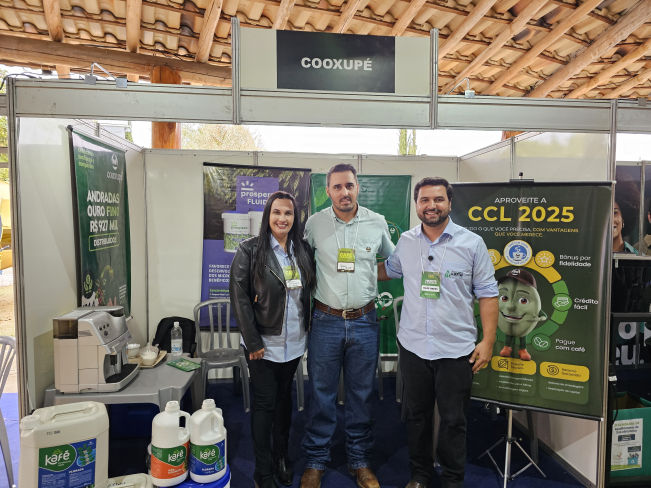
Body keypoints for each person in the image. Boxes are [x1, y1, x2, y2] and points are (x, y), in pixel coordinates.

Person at [378, 177, 499, 488]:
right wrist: (344, 268)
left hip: (456, 349)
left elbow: (488, 293)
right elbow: (388, 271)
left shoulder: (472, 243)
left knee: (454, 420)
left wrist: (488, 341)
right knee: (415, 416)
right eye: (424, 200)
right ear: (416, 204)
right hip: (414, 346)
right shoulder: (406, 242)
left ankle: (453, 479)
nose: (431, 206)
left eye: (438, 199)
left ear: (449, 202)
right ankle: (420, 474)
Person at [300, 163, 395, 488]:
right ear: (328, 191)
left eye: (350, 186)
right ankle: (316, 461)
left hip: (365, 321)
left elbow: (392, 263)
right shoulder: (314, 224)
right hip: (325, 320)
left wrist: (367, 274)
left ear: (358, 188)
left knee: (361, 395)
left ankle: (360, 461)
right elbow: (301, 263)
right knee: (321, 394)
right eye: (338, 187)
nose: (344, 192)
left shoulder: (376, 222)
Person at [230, 191, 317, 488]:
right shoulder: (250, 250)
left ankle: (281, 457)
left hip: (294, 342)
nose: (282, 218)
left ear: (295, 218)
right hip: (263, 346)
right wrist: (253, 341)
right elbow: (240, 298)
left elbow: (308, 293)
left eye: (288, 213)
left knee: (283, 401)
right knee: (265, 404)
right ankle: (263, 470)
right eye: (277, 212)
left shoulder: (302, 250)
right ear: (268, 215)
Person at [613, 178, 640, 254]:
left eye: (615, 213)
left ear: (623, 218)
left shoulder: (638, 257)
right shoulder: (588, 256)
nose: (610, 219)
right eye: (605, 214)